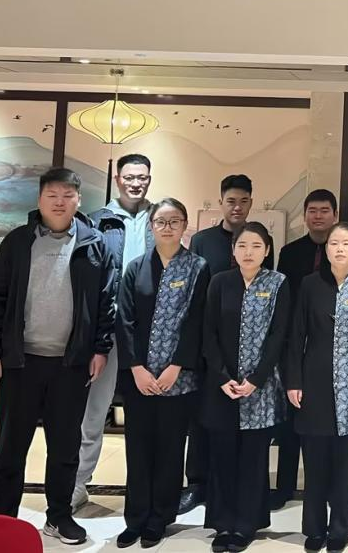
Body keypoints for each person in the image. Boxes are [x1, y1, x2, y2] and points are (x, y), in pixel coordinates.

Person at [0, 167, 115, 546]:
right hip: (19, 362)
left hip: (70, 365)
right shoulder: (17, 242)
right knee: (10, 447)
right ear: (39, 199)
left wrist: (100, 349)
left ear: (78, 200)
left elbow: (106, 302)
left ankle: (58, 516)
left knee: (65, 447)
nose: (59, 202)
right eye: (52, 195)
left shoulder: (94, 244)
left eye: (67, 195)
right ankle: (2, 519)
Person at [116, 197, 209, 549]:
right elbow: (124, 320)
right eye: (160, 222)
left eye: (174, 221)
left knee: (170, 449)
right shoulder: (136, 268)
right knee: (138, 448)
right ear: (151, 226)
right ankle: (135, 518)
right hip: (139, 377)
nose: (167, 228)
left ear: (184, 226)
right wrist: (136, 367)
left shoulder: (198, 267)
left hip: (178, 378)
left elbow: (197, 320)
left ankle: (159, 518)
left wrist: (176, 366)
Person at [286, 222, 348, 553]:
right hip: (313, 381)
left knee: (345, 464)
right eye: (334, 243)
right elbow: (296, 335)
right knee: (314, 462)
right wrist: (294, 380)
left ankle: (340, 529)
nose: (339, 249)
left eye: (346, 243)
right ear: (325, 249)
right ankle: (314, 528)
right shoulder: (310, 284)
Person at [202, 221, 292, 553]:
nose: (248, 252)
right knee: (223, 456)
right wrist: (222, 376)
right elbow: (208, 333)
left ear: (267, 250)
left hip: (260, 388)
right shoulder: (220, 282)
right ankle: (223, 523)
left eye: (256, 246)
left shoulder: (278, 283)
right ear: (233, 250)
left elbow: (279, 335)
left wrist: (257, 379)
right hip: (223, 386)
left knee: (254, 458)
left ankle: (245, 525)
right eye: (242, 245)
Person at [74, 153, 155, 511]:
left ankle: (148, 492)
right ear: (118, 179)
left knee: (148, 415)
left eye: (142, 177)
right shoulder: (97, 221)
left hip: (148, 332)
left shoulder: (160, 218)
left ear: (149, 179)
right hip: (106, 328)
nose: (136, 183)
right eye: (129, 177)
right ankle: (77, 485)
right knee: (92, 411)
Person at [181, 174, 260, 514]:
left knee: (239, 416)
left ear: (251, 203)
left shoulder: (258, 240)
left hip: (246, 346)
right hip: (208, 342)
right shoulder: (203, 241)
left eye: (243, 201)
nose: (237, 207)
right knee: (202, 416)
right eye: (231, 201)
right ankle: (197, 483)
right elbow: (192, 293)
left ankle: (231, 480)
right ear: (221, 203)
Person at [272, 188, 340, 508]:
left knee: (325, 419)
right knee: (290, 418)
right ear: (305, 216)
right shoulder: (290, 252)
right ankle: (284, 484)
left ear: (335, 215)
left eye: (324, 210)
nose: (318, 216)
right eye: (312, 210)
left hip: (330, 345)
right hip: (294, 341)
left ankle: (324, 485)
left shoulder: (342, 251)